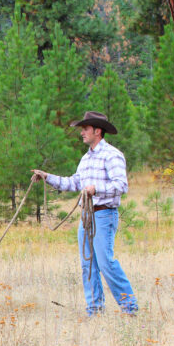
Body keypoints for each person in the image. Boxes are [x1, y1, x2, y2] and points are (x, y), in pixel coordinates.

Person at [31, 111, 138, 316]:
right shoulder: (86, 158)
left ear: (97, 131)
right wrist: (46, 177)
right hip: (87, 217)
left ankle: (130, 308)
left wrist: (96, 189)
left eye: (85, 129)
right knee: (88, 265)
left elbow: (121, 185)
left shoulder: (112, 155)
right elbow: (74, 183)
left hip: (104, 215)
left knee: (106, 264)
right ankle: (94, 310)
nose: (82, 133)